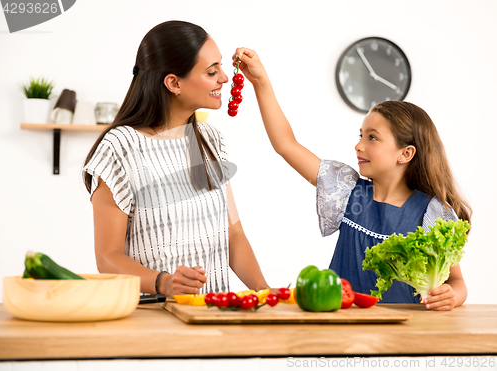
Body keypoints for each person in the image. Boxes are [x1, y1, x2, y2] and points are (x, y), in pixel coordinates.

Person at [233, 47, 471, 311]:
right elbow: (286, 145)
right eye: (360, 135)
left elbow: (457, 281)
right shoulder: (348, 191)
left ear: (405, 153)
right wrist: (261, 83)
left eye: (372, 137)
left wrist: (453, 294)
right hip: (340, 328)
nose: (358, 146)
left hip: (404, 335)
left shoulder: (431, 213)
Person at [82, 21, 269, 297]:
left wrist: (265, 291)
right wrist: (164, 282)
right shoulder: (119, 148)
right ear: (173, 83)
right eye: (211, 71)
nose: (225, 78)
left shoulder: (210, 139)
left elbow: (233, 235)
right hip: (155, 319)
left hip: (214, 314)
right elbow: (107, 258)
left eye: (221, 67)